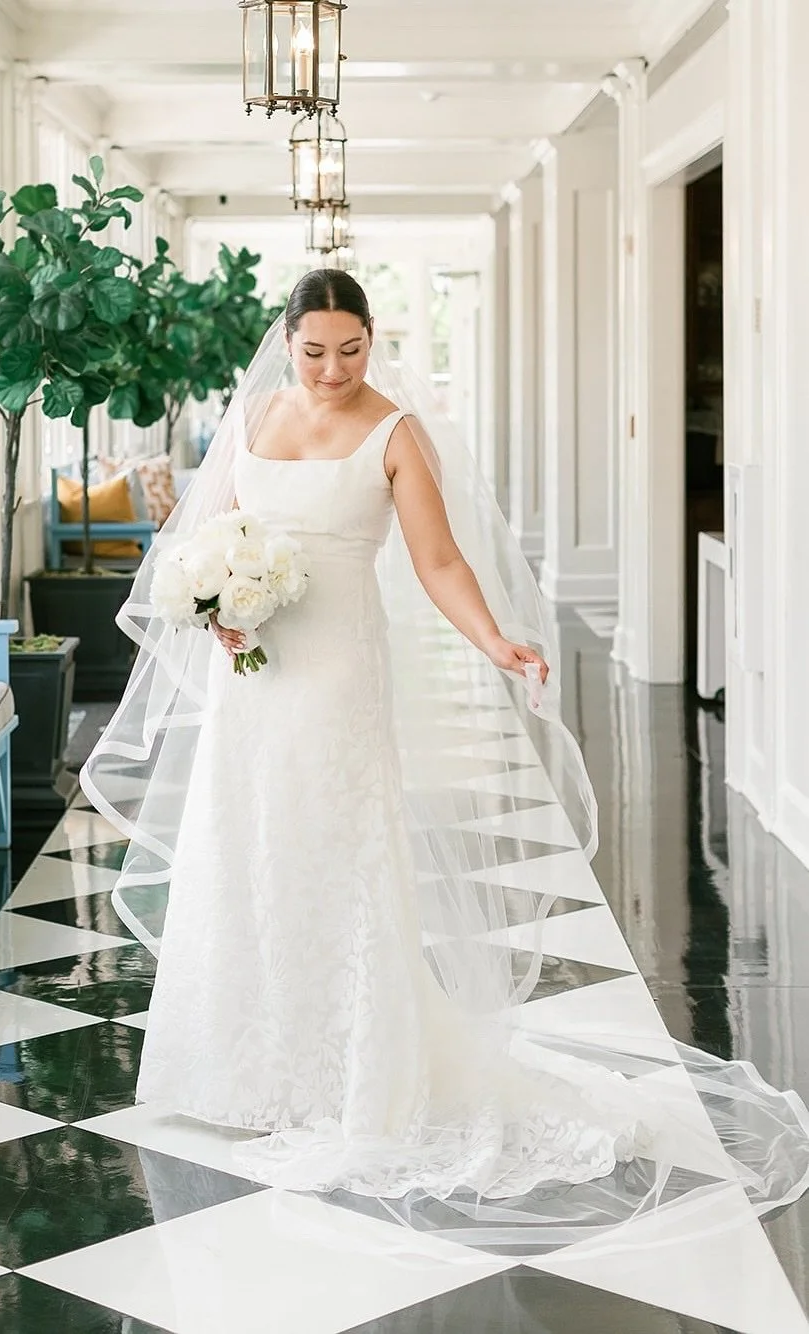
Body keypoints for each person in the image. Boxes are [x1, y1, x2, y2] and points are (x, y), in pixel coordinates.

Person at [82, 269, 809, 1248]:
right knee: (242, 846)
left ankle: (351, 1069)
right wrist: (209, 601)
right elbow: (202, 533)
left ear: (372, 341)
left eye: (350, 349)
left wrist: (495, 639)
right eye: (314, 350)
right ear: (286, 343)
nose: (332, 369)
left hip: (336, 673)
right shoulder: (249, 416)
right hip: (248, 673)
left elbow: (438, 560)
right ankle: (237, 1065)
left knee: (336, 856)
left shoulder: (393, 433)